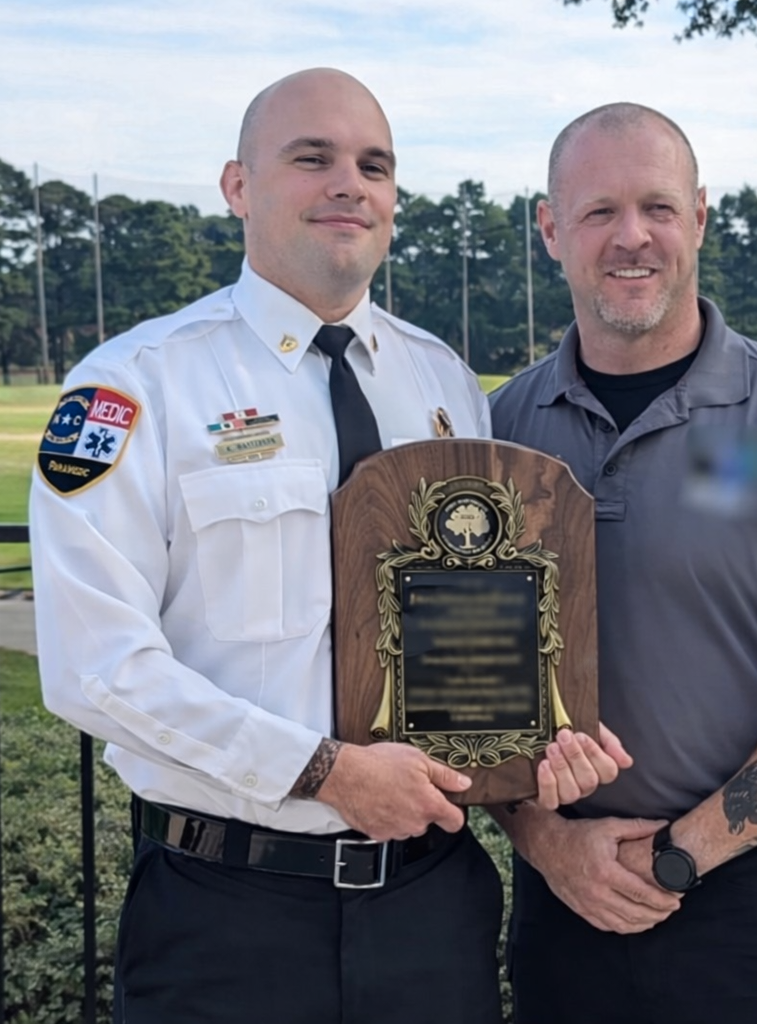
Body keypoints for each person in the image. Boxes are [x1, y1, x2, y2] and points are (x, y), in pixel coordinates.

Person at [30, 69, 626, 1024]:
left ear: (393, 200)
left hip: (433, 906)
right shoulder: (133, 389)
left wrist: (540, 737)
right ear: (238, 187)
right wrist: (324, 771)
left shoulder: (442, 383)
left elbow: (481, 623)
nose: (349, 182)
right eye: (313, 158)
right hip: (226, 915)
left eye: (374, 165)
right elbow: (95, 667)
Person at [489, 102, 757, 1024]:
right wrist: (544, 840)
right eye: (598, 210)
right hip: (563, 902)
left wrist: (678, 855)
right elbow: (464, 700)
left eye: (657, 206)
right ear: (549, 229)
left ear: (699, 217)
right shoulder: (497, 433)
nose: (631, 236)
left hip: (756, 912)